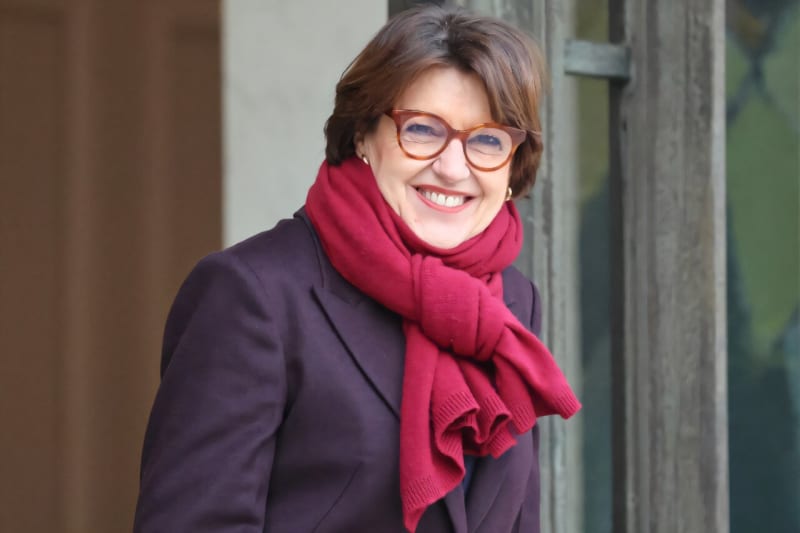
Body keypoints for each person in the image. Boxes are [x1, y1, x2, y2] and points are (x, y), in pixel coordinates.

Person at [133, 4, 580, 533]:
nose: (453, 166)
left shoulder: (511, 302)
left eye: (486, 140)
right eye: (422, 129)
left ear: (513, 166)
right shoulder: (252, 295)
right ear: (363, 136)